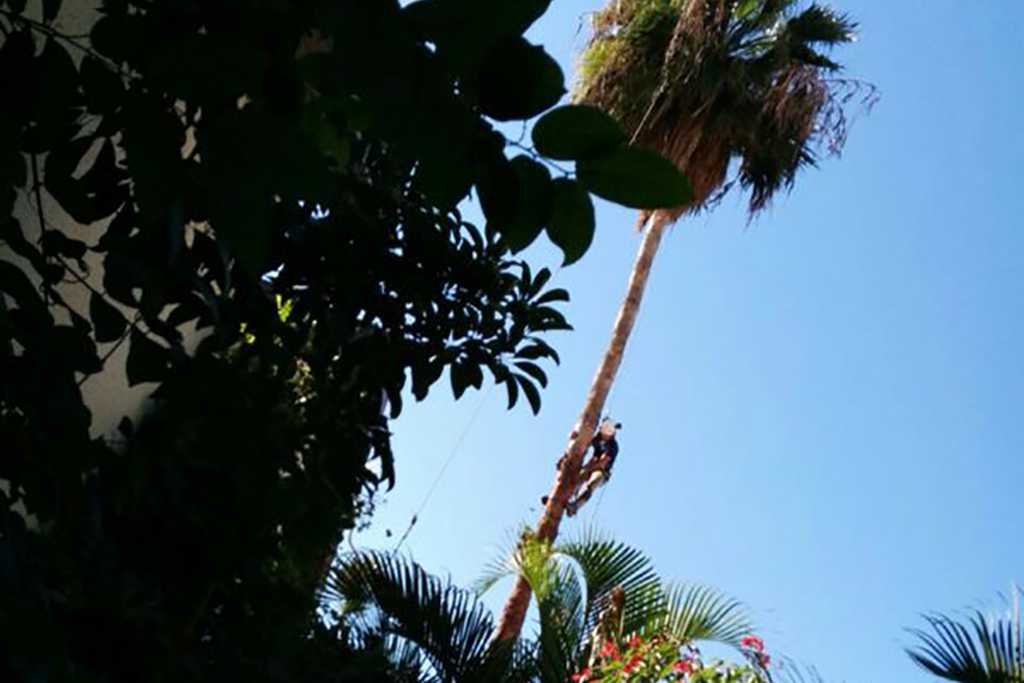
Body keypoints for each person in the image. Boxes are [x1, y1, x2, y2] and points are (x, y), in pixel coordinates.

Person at [542, 418, 622, 516]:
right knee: (575, 479)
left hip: (602, 471)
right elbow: (583, 443)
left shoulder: (613, 446)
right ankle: (555, 497)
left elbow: (603, 462)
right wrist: (567, 456)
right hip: (592, 464)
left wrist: (588, 468)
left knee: (592, 483)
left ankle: (575, 506)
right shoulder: (597, 438)